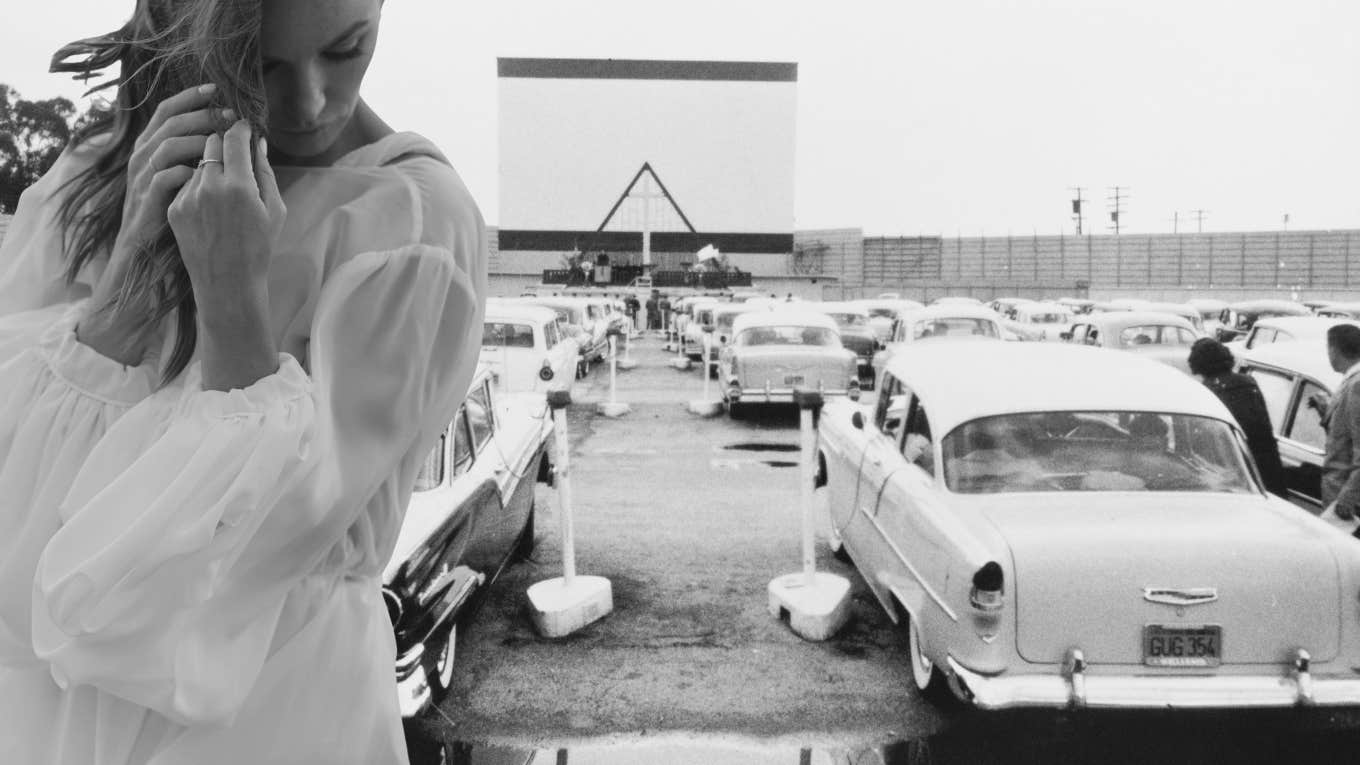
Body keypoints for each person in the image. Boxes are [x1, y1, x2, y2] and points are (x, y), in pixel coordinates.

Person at [0, 1, 485, 764]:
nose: (312, 102)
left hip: (264, 708)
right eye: (262, 64)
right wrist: (129, 276)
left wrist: (233, 304)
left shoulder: (410, 224)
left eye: (348, 47)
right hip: (42, 707)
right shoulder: (97, 172)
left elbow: (265, 546)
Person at [1186, 338, 1287, 496]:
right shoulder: (1249, 383)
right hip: (1264, 462)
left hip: (1228, 467)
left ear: (1197, 364)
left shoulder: (1206, 391)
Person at [1322, 324, 1360, 535]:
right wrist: (1326, 413)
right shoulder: (1351, 380)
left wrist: (1348, 497)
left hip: (1344, 497)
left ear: (1335, 349)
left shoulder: (1357, 385)